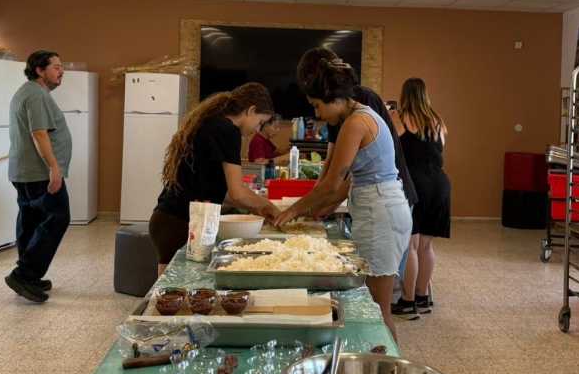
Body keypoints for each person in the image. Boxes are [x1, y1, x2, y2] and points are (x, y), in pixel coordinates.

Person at [295, 48, 419, 316]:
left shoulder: (356, 122)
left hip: (381, 215)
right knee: (372, 307)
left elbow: (332, 182)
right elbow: (344, 179)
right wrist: (317, 207)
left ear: (333, 97)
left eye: (317, 106)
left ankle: (384, 346)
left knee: (377, 310)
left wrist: (293, 210)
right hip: (378, 210)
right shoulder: (356, 115)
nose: (318, 114)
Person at [150, 83, 280, 276]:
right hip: (180, 222)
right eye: (260, 122)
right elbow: (237, 192)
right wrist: (270, 207)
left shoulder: (213, 123)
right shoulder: (228, 130)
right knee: (173, 288)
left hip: (167, 219)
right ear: (251, 110)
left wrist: (258, 208)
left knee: (171, 288)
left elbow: (220, 190)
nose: (257, 129)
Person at [5, 50, 72, 304]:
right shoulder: (35, 94)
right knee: (58, 217)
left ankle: (28, 276)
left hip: (26, 171)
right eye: (56, 67)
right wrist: (54, 168)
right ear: (39, 70)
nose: (61, 71)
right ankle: (24, 274)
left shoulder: (31, 92)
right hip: (38, 172)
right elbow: (39, 134)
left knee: (31, 220)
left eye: (61, 66)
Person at [390, 78, 451, 319]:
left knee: (411, 247)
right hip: (440, 184)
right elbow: (438, 150)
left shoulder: (400, 118)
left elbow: (390, 147)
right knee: (426, 246)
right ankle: (422, 296)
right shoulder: (438, 121)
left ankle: (407, 301)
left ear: (404, 95)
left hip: (415, 185)